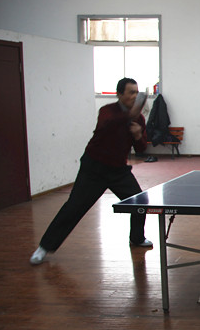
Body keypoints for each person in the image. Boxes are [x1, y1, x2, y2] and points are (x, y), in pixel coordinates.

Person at [30, 78, 152, 265]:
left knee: (139, 202)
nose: (134, 96)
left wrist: (138, 135)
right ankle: (44, 247)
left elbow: (142, 148)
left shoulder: (139, 119)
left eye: (136, 92)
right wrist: (129, 116)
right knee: (73, 208)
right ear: (119, 94)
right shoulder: (107, 111)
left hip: (118, 170)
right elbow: (106, 125)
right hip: (94, 168)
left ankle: (137, 238)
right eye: (131, 92)